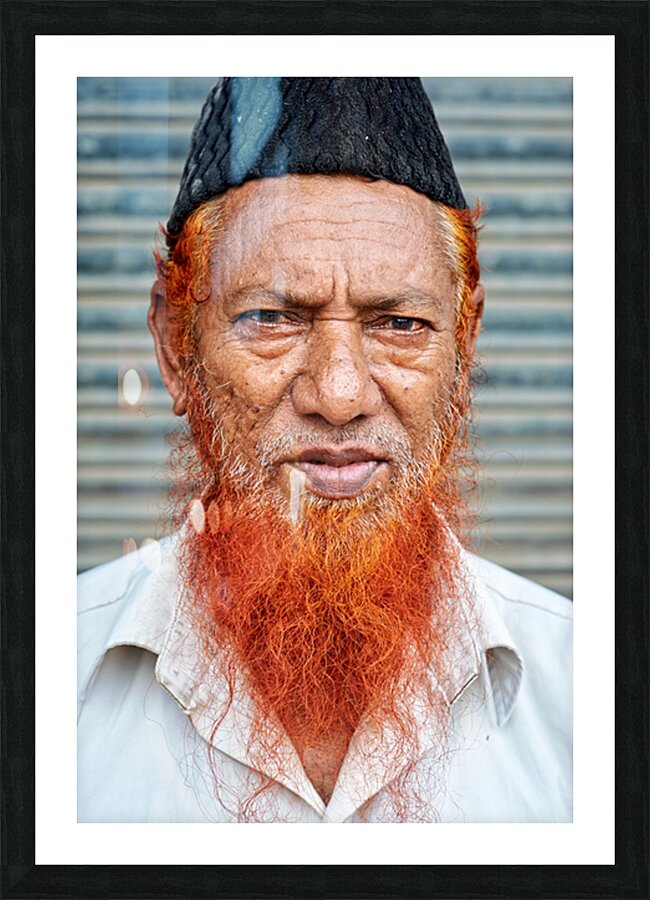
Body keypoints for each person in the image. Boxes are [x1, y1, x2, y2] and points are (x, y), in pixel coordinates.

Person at [77, 77, 572, 823]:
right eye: (272, 317)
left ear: (464, 352)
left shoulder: (592, 701)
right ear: (178, 348)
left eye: (399, 324)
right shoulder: (49, 687)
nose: (339, 396)